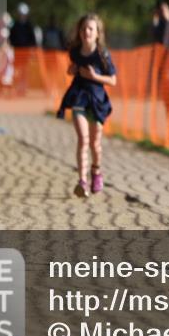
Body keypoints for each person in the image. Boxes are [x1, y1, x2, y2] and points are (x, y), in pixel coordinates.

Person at [56, 13, 117, 198]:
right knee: (83, 139)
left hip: (97, 101)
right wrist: (71, 70)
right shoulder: (75, 51)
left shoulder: (102, 54)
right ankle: (82, 181)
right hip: (79, 97)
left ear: (98, 33)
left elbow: (113, 80)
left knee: (95, 144)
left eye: (90, 29)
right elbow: (71, 69)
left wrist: (95, 77)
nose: (86, 32)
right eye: (83, 28)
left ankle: (96, 172)